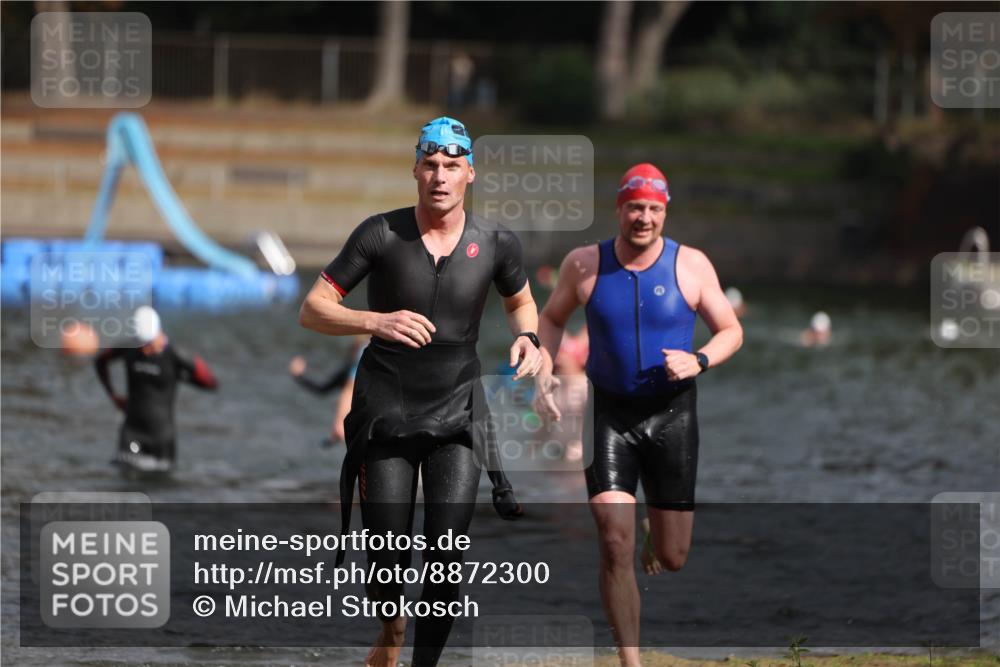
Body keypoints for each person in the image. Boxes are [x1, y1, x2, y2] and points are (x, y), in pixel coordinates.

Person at [299, 117, 543, 667]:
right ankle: (391, 627)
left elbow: (521, 302)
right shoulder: (380, 234)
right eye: (430, 165)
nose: (440, 176)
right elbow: (313, 309)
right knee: (386, 562)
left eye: (452, 166)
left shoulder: (496, 243)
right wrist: (375, 321)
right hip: (387, 412)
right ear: (415, 170)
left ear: (470, 174)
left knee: (446, 559)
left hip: (459, 416)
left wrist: (527, 337)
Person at [533, 163, 743, 667]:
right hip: (609, 415)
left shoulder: (691, 265)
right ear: (619, 209)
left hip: (672, 416)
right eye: (634, 207)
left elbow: (731, 330)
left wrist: (699, 360)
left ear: (664, 212)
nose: (643, 217)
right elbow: (552, 318)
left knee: (673, 557)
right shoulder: (584, 265)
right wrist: (543, 374)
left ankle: (654, 532)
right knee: (612, 539)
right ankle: (631, 661)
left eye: (652, 209)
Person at [94, 306, 217, 475]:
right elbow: (100, 361)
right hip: (132, 436)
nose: (145, 349)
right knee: (125, 482)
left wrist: (183, 376)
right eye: (141, 343)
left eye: (149, 343)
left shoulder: (176, 355)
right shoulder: (129, 348)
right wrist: (113, 395)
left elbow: (211, 383)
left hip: (161, 440)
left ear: (159, 334)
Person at [288, 335, 367, 445]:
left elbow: (324, 389)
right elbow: (323, 389)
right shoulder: (350, 371)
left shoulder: (352, 371)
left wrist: (298, 376)